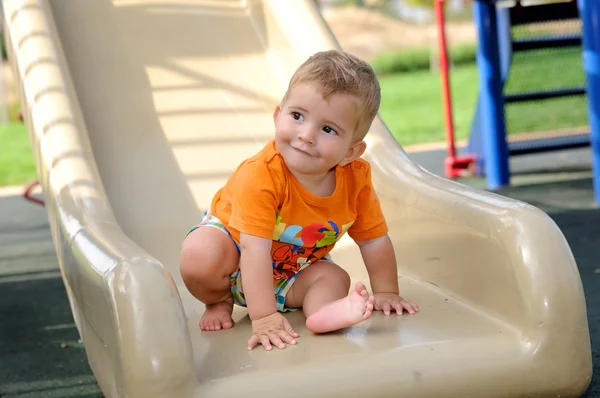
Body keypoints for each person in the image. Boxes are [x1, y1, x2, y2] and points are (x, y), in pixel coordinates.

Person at [180, 50, 418, 351]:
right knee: (200, 253)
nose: (306, 135)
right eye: (297, 116)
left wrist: (386, 292)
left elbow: (373, 240)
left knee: (334, 277)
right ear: (278, 115)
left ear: (350, 152)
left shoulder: (355, 179)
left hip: (295, 268)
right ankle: (218, 301)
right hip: (237, 256)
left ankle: (322, 315)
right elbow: (254, 249)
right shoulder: (262, 175)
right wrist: (264, 318)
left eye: (328, 129)